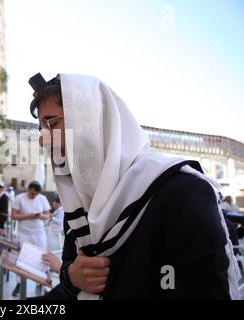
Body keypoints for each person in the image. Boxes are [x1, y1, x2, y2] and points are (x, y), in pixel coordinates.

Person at [27, 72, 241, 299]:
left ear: (91, 122)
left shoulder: (182, 192)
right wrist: (71, 276)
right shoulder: (81, 204)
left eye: (51, 123)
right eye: (41, 128)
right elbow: (74, 272)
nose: (43, 140)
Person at [11, 181, 51, 296]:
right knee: (22, 259)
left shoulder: (42, 198)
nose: (34, 196)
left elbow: (48, 215)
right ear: (29, 189)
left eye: (36, 194)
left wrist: (41, 216)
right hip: (24, 233)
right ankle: (19, 284)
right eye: (32, 193)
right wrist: (28, 215)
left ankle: (41, 284)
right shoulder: (19, 198)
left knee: (41, 259)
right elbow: (13, 216)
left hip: (38, 233)